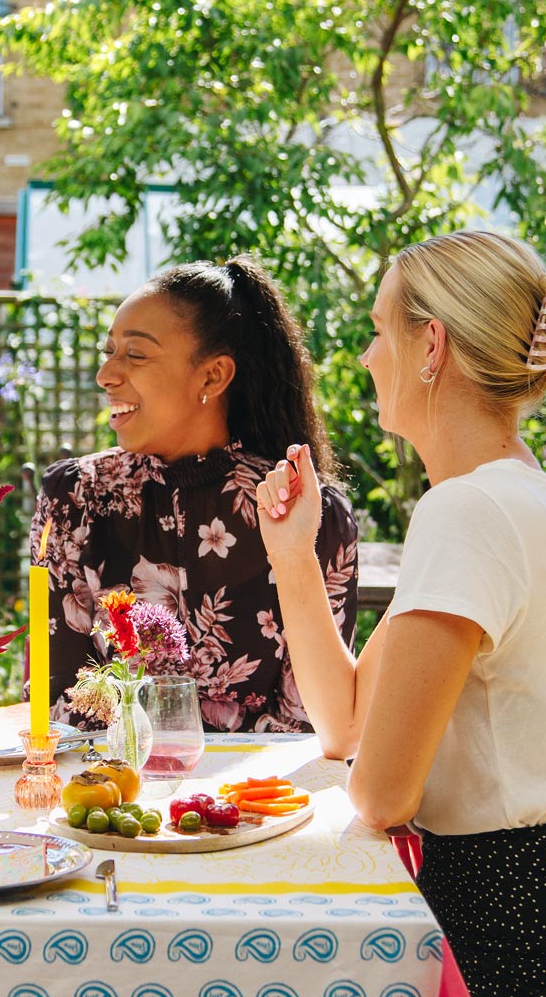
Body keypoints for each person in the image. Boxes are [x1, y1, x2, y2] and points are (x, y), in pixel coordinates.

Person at [256, 230, 546, 997]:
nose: (364, 357)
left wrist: (377, 771)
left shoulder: (469, 511)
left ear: (430, 347)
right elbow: (348, 728)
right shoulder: (503, 491)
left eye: (378, 332)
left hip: (528, 959)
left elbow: (384, 788)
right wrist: (292, 556)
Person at [31, 255, 358, 732]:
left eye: (135, 354)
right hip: (112, 797)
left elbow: (312, 727)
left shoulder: (309, 514)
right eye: (109, 351)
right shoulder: (73, 499)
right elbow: (59, 707)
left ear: (212, 376)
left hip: (262, 803)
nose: (106, 375)